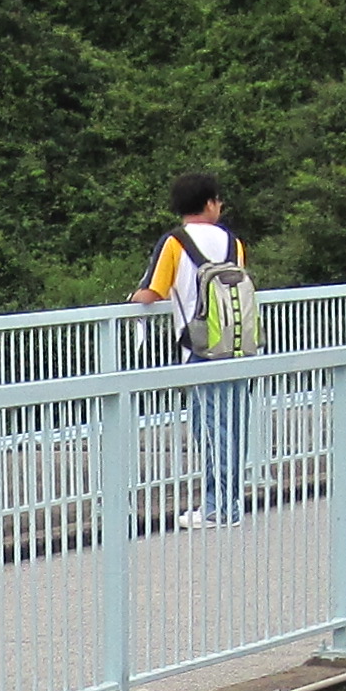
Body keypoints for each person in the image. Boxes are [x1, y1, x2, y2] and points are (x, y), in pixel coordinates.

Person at [133, 169, 253, 527]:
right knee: (233, 425)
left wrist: (132, 300)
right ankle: (228, 502)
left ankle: (219, 508)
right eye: (218, 200)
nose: (220, 206)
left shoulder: (175, 242)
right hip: (235, 344)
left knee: (212, 429)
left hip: (199, 348)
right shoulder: (233, 242)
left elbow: (152, 291)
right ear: (209, 203)